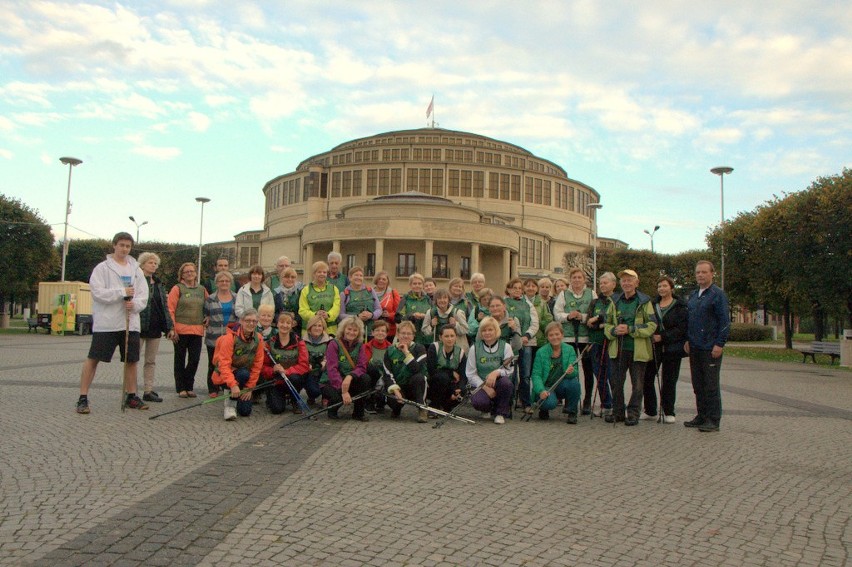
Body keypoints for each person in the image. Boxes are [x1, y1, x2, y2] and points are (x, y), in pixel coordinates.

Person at [75, 232, 150, 414]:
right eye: (122, 245)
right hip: (107, 323)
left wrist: (135, 304)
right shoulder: (102, 268)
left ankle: (131, 395)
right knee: (94, 359)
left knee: (131, 361)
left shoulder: (136, 270)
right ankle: (83, 397)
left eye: (128, 246)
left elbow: (143, 294)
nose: (124, 249)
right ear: (114, 245)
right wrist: (120, 292)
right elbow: (98, 293)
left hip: (129, 323)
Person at [603, 269, 657, 426]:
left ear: (636, 283)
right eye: (624, 280)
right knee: (616, 382)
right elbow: (607, 324)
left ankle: (633, 413)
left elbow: (652, 325)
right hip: (617, 348)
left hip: (637, 350)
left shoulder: (645, 302)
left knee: (638, 384)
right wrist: (614, 330)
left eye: (629, 280)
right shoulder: (614, 301)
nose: (626, 283)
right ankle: (618, 411)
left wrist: (631, 329)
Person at [684, 261, 730, 432]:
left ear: (712, 274)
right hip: (695, 346)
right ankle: (701, 415)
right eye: (698, 272)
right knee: (698, 384)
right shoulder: (694, 295)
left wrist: (719, 343)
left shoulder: (717, 295)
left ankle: (713, 419)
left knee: (710, 385)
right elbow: (690, 320)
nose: (700, 275)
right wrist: (688, 339)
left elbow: (724, 321)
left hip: (710, 347)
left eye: (704, 272)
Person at [641, 276, 689, 423]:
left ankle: (668, 410)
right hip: (654, 347)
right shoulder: (652, 304)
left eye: (664, 286)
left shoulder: (680, 306)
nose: (662, 289)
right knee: (647, 377)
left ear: (671, 288)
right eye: (659, 286)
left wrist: (663, 337)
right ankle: (650, 410)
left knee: (669, 379)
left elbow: (681, 328)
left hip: (672, 347)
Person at [553, 268, 596, 415]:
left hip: (586, 337)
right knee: (568, 369)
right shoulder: (563, 294)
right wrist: (568, 316)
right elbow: (557, 314)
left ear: (584, 279)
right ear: (570, 280)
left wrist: (582, 317)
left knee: (588, 370)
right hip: (569, 337)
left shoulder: (591, 294)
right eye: (574, 278)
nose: (577, 280)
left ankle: (587, 401)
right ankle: (569, 401)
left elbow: (595, 314)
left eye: (579, 277)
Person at [211, 309, 265, 421]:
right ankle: (229, 404)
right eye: (248, 320)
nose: (251, 324)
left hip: (245, 378)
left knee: (245, 412)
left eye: (254, 321)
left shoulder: (258, 338)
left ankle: (239, 397)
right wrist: (233, 385)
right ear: (241, 321)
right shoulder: (230, 338)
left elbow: (257, 365)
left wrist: (249, 388)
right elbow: (224, 365)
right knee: (243, 373)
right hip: (227, 376)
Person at [138, 252, 175, 403]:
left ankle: (148, 390)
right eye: (150, 262)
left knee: (150, 361)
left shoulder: (159, 284)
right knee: (133, 359)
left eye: (155, 263)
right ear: (142, 264)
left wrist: (169, 327)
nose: (153, 265)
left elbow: (164, 307)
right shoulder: (138, 280)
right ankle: (130, 390)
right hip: (139, 326)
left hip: (154, 327)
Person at [168, 262, 208, 398]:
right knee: (179, 359)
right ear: (182, 275)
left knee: (194, 360)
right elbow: (170, 309)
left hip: (197, 330)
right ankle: (181, 388)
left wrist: (207, 316)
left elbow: (208, 305)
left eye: (192, 271)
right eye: (186, 272)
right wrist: (172, 328)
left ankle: (189, 386)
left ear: (196, 273)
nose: (190, 273)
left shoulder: (202, 290)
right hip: (180, 330)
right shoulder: (177, 288)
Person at [465, 316, 515, 424]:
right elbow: (470, 373)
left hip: (499, 382)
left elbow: (510, 370)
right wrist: (485, 387)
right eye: (484, 330)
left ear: (496, 331)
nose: (487, 333)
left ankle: (500, 413)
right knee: (479, 401)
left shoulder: (506, 347)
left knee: (507, 384)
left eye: (490, 330)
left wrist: (496, 372)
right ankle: (486, 409)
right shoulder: (474, 348)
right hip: (481, 383)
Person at [262, 311, 312, 414]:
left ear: (292, 325)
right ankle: (274, 396)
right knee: (277, 409)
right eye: (282, 322)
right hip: (277, 380)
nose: (285, 325)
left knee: (295, 378)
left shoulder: (299, 342)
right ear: (277, 323)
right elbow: (263, 366)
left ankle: (295, 400)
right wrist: (273, 370)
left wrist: (287, 371)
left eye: (288, 323)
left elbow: (304, 365)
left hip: (293, 378)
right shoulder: (269, 343)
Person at [531, 322, 580, 422]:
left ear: (562, 335)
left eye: (557, 334)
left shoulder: (570, 349)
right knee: (550, 403)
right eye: (551, 335)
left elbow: (575, 372)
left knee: (574, 384)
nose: (554, 337)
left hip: (561, 384)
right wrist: (541, 390)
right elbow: (536, 375)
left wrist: (571, 371)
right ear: (547, 337)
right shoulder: (541, 352)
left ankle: (572, 412)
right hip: (546, 386)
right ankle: (543, 409)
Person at [323, 316, 370, 421]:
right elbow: (332, 370)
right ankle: (332, 409)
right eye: (349, 329)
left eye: (355, 330)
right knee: (337, 397)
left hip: (349, 378)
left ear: (359, 332)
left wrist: (350, 376)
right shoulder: (333, 344)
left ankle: (358, 412)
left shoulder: (360, 345)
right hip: (332, 381)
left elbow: (362, 366)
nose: (351, 332)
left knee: (365, 379)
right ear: (343, 329)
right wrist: (343, 390)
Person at [383, 321, 429, 422]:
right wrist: (395, 390)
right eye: (403, 333)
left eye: (409, 334)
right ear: (398, 335)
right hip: (398, 386)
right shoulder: (390, 350)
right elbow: (387, 374)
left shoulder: (420, 349)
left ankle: (422, 408)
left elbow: (416, 369)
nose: (406, 336)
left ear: (413, 336)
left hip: (414, 385)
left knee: (419, 378)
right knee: (394, 401)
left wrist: (406, 352)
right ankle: (397, 408)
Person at [505, 278, 539, 413]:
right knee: (511, 374)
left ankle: (526, 403)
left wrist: (527, 336)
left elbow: (534, 323)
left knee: (525, 374)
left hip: (526, 343)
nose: (517, 290)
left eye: (520, 288)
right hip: (510, 344)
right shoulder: (504, 302)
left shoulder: (528, 304)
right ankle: (509, 402)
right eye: (514, 288)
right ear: (508, 289)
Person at [585, 272, 616, 421]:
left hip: (611, 343)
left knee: (612, 374)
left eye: (606, 283)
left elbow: (612, 322)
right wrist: (599, 323)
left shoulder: (616, 301)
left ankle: (616, 405)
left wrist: (599, 322)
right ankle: (606, 404)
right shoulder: (594, 302)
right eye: (601, 283)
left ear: (613, 284)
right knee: (599, 374)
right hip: (595, 343)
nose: (603, 285)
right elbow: (588, 322)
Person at [203, 270, 237, 397]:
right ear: (216, 283)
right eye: (221, 281)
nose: (224, 283)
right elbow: (205, 313)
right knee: (213, 362)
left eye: (227, 281)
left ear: (230, 283)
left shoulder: (236, 297)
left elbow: (239, 315)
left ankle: (227, 385)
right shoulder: (211, 298)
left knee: (229, 362)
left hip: (230, 336)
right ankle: (213, 388)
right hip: (214, 335)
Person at [426, 324, 467, 412]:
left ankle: (447, 406)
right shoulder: (434, 347)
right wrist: (451, 372)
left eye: (452, 336)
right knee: (442, 378)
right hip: (435, 383)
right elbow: (431, 370)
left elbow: (463, 375)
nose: (450, 339)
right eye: (446, 336)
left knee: (462, 389)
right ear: (440, 337)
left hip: (452, 384)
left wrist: (459, 388)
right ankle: (435, 405)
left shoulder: (460, 352)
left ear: (456, 337)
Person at [299, 261, 341, 337]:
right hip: (309, 331)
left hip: (330, 330)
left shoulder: (334, 289)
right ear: (314, 274)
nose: (322, 274)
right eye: (319, 272)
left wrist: (328, 315)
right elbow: (302, 311)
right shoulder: (305, 290)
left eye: (324, 272)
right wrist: (315, 315)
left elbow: (336, 307)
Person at [340, 266, 381, 335]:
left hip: (370, 332)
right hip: (352, 333)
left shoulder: (370, 291)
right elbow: (341, 315)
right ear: (350, 278)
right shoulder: (344, 294)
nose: (358, 278)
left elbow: (379, 309)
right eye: (356, 275)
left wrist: (371, 315)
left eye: (361, 276)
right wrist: (357, 317)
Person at [303, 314, 333, 406]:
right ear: (309, 327)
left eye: (320, 326)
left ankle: (326, 397)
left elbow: (331, 358)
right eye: (314, 325)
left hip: (324, 371)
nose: (317, 328)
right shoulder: (302, 341)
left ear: (323, 328)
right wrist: (307, 364)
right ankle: (311, 395)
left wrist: (324, 363)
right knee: (314, 391)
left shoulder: (330, 341)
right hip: (310, 371)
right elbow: (301, 357)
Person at [364, 319, 393, 413]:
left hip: (385, 378)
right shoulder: (365, 347)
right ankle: (369, 400)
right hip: (371, 378)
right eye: (377, 330)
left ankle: (382, 400)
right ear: (372, 332)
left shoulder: (391, 348)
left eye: (383, 331)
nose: (380, 333)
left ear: (387, 333)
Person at [398, 272, 432, 346]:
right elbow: (398, 317)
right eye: (414, 283)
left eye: (419, 283)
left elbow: (433, 315)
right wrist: (412, 315)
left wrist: (426, 316)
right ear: (410, 285)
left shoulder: (427, 299)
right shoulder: (406, 298)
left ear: (423, 285)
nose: (417, 286)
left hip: (426, 338)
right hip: (409, 337)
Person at [272, 266, 304, 335]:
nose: (290, 279)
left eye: (292, 277)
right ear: (281, 278)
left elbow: (303, 309)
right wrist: (281, 319)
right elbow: (274, 312)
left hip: (296, 328)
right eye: (286, 277)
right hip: (281, 327)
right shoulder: (276, 293)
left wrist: (296, 320)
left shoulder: (301, 292)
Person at [373, 270, 401, 341]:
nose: (381, 281)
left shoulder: (393, 293)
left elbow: (398, 313)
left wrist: (389, 315)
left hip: (389, 330)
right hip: (373, 329)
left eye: (384, 279)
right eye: (379, 279)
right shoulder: (369, 292)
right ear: (376, 280)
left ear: (387, 281)